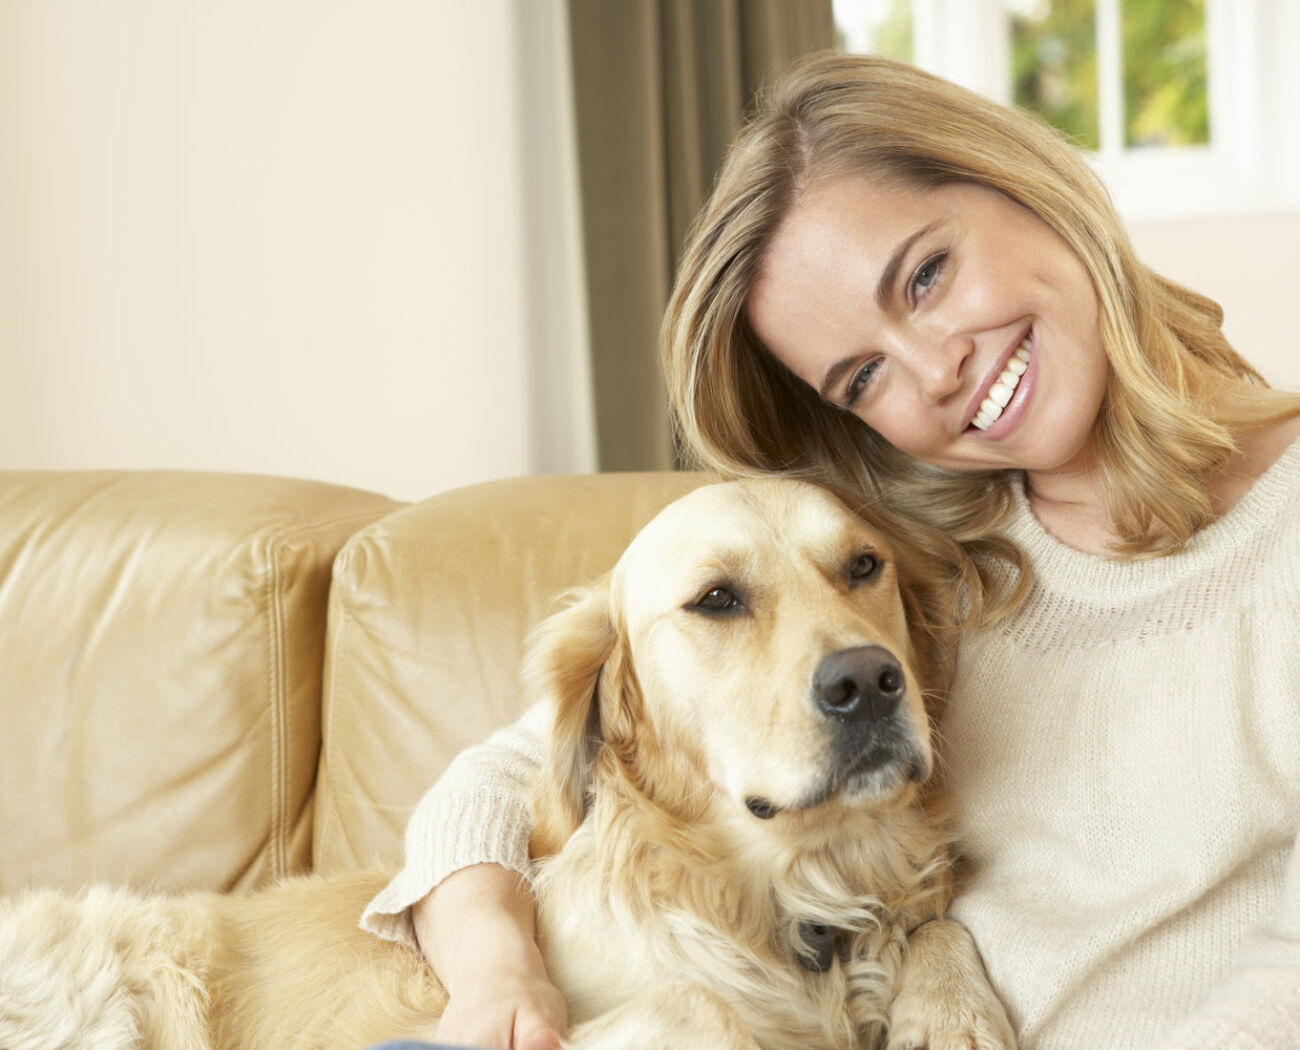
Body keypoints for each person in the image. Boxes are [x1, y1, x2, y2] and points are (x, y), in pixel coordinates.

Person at [361, 52, 1300, 1049]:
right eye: (861, 379)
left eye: (927, 276)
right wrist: (496, 972)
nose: (936, 369)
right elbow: (512, 777)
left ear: (1025, 181)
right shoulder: (916, 558)